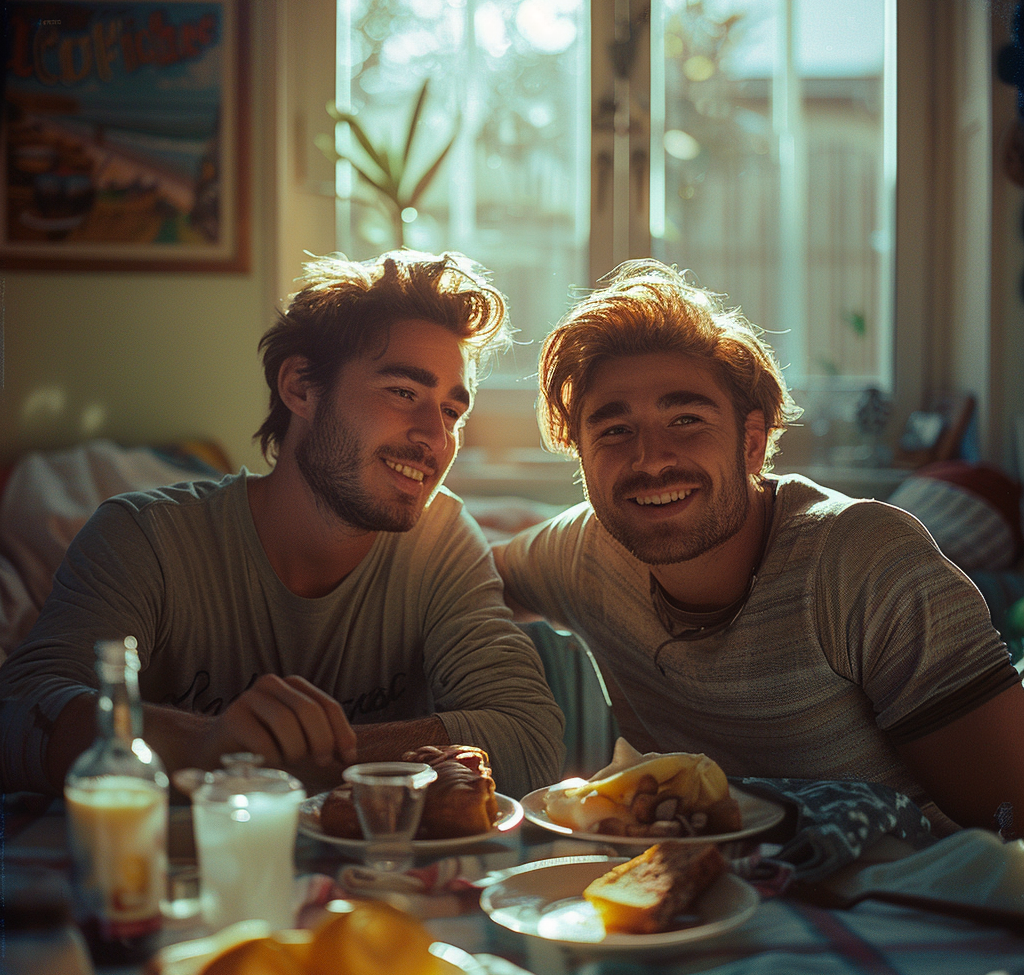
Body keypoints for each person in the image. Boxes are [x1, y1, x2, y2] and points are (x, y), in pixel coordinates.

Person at [0, 250, 564, 800]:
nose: (435, 439)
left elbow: (527, 732)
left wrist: (298, 762)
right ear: (300, 387)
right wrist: (206, 745)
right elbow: (20, 711)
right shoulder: (144, 539)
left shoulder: (440, 543)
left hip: (375, 888)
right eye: (403, 392)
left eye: (450, 411)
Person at [493, 258, 1024, 835]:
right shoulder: (583, 553)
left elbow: (1009, 813)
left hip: (902, 901)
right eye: (613, 430)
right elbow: (469, 573)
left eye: (686, 419)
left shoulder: (863, 561)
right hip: (700, 901)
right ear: (582, 457)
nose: (649, 460)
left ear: (751, 442)